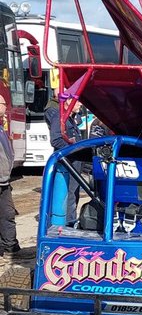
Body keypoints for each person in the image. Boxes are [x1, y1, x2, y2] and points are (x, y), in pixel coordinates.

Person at [44, 94, 82, 226]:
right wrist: (74, 148)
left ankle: (71, 222)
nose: (80, 105)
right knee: (68, 194)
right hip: (67, 164)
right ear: (69, 102)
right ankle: (67, 225)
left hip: (74, 163)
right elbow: (55, 140)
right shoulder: (60, 117)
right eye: (77, 102)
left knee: (74, 194)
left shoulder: (71, 119)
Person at [0, 93, 21, 257]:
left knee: (8, 213)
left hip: (4, 181)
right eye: (3, 104)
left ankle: (10, 247)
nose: (5, 107)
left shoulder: (1, 127)